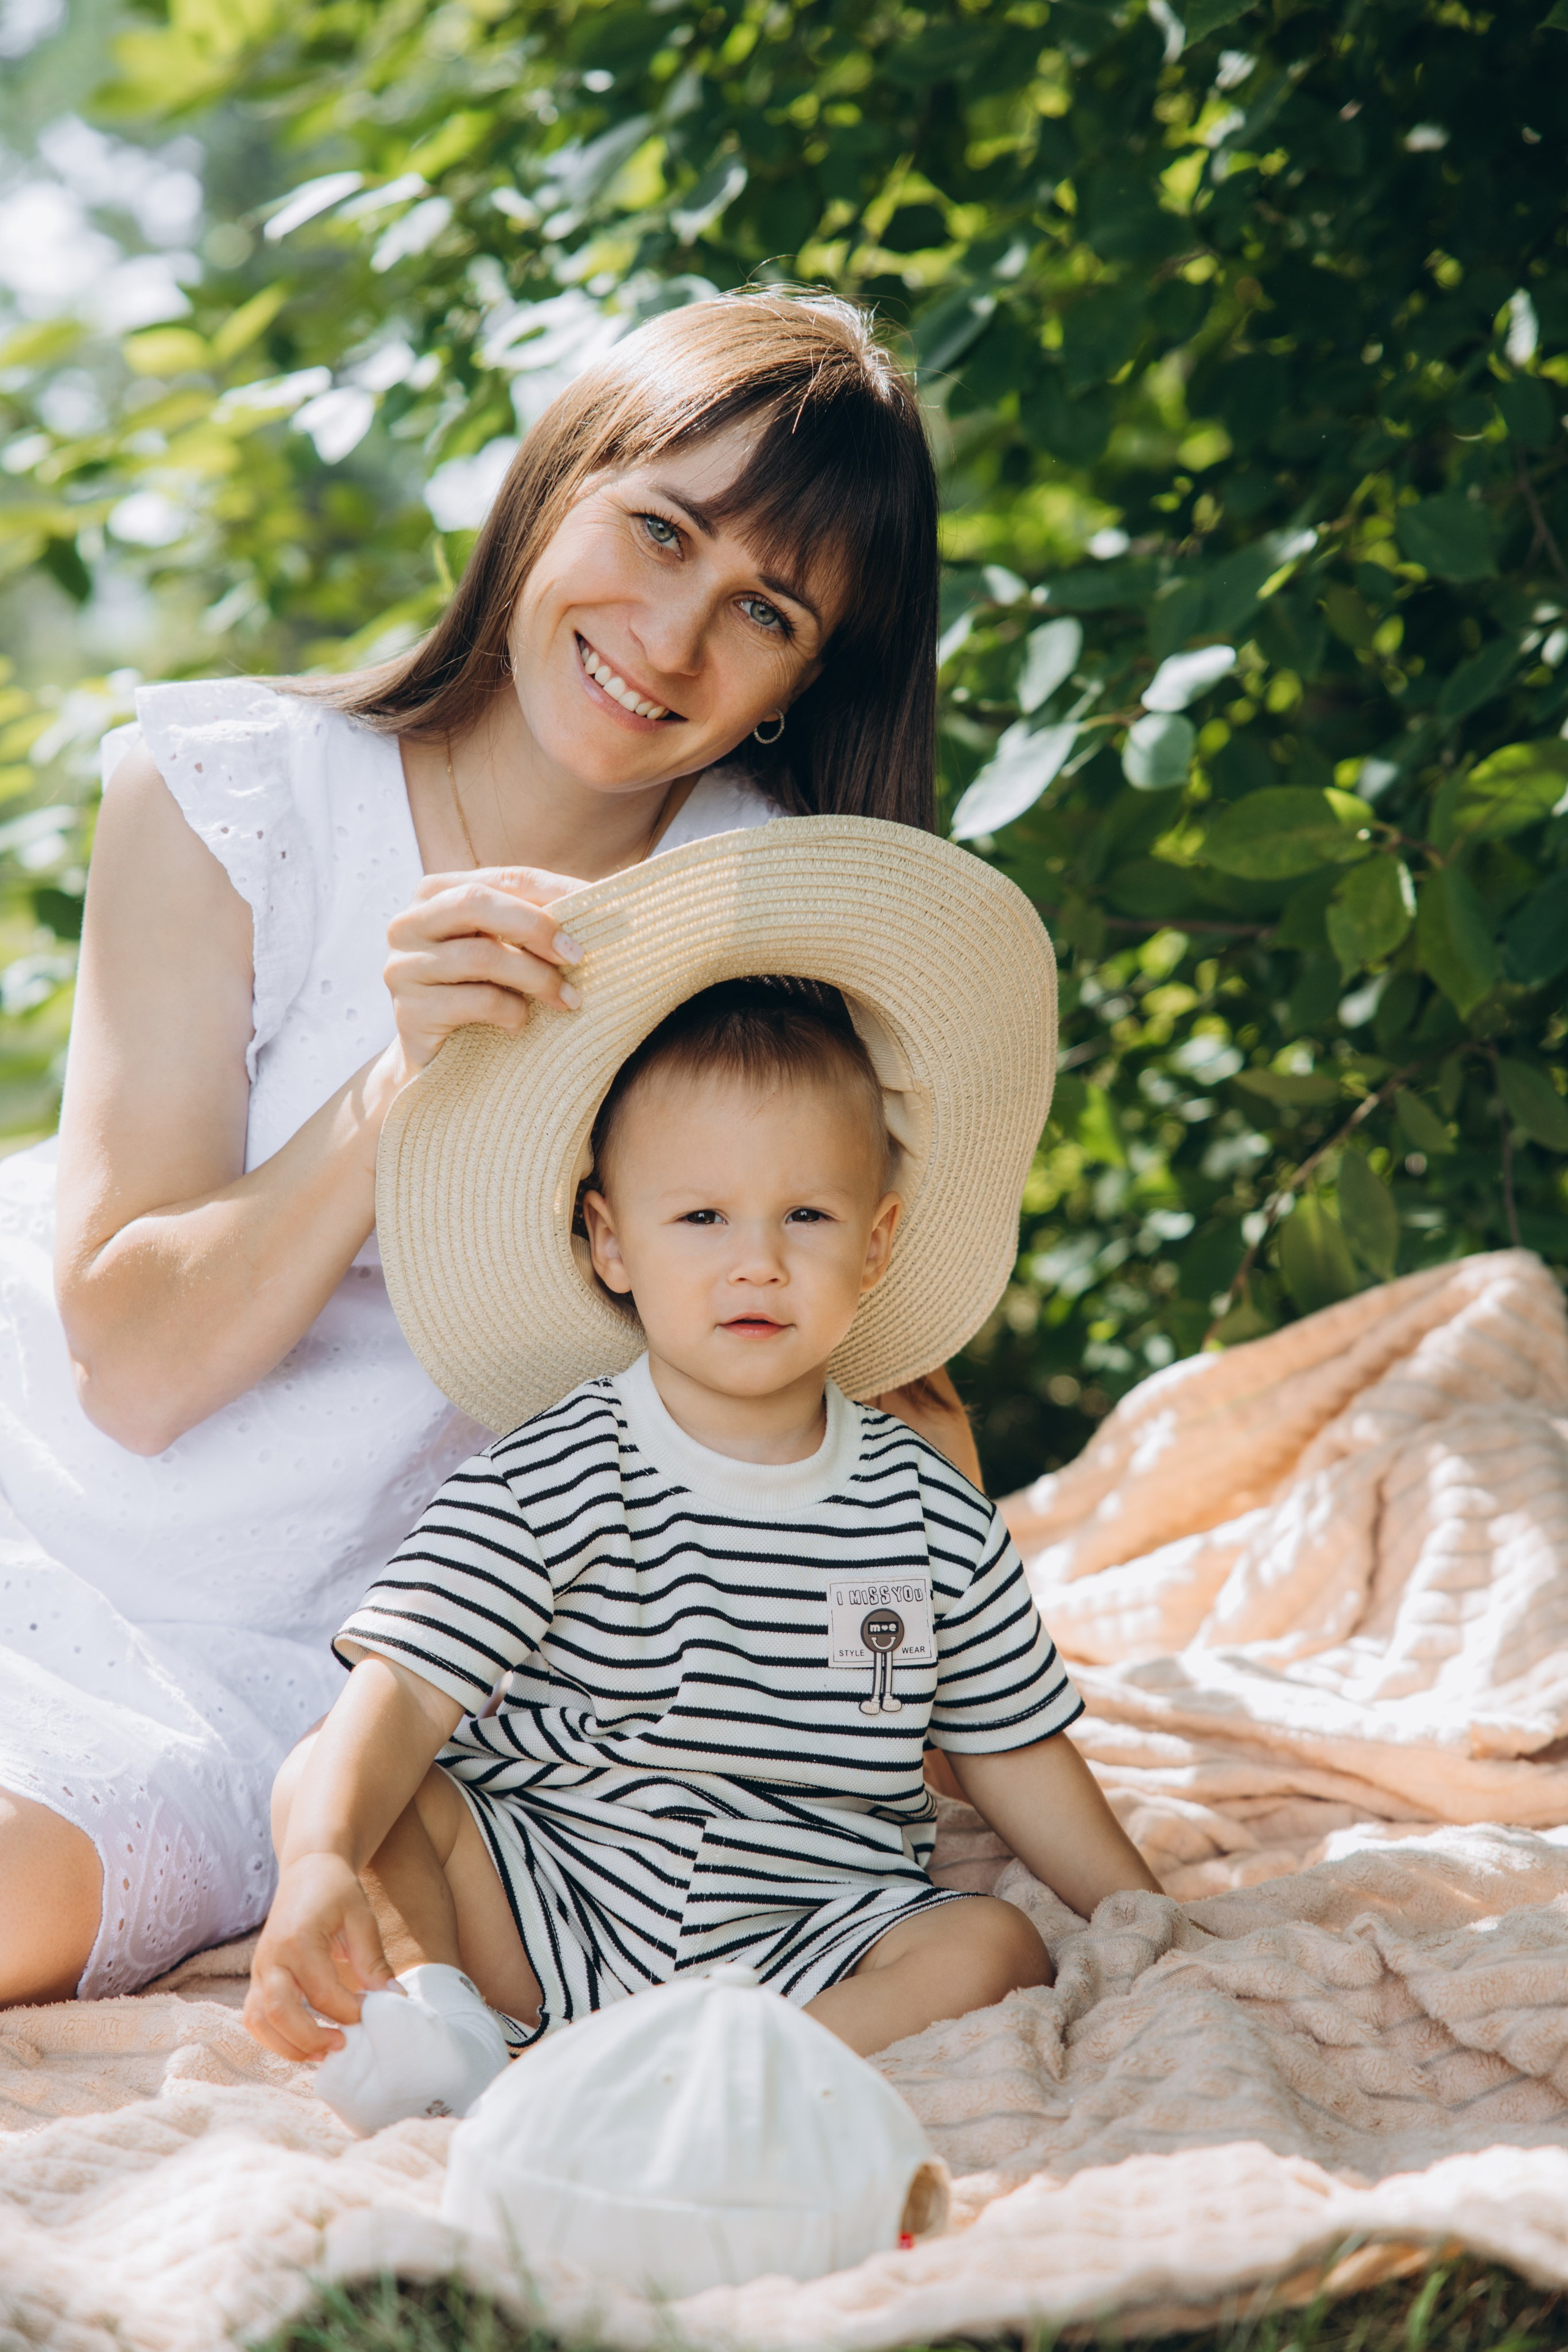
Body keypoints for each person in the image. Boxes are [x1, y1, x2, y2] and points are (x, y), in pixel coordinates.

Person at [0, 290, 983, 2009]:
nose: (671, 641)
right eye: (657, 528)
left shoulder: (778, 926)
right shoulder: (226, 792)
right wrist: (398, 1084)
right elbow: (133, 1378)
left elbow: (857, 1441)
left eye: (763, 611)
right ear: (553, 487)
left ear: (801, 684)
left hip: (303, 1653)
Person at [244, 966, 1158, 2130]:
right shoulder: (555, 1471)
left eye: (808, 1216)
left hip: (810, 1925)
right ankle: (443, 2013)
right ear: (611, 1243)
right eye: (702, 1217)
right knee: (342, 1773)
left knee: (993, 1940)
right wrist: (322, 1857)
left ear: (875, 1245)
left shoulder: (926, 1508)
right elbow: (408, 1690)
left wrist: (1140, 1908)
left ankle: (723, 2073)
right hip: (551, 1899)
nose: (758, 1261)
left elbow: (1010, 1749)